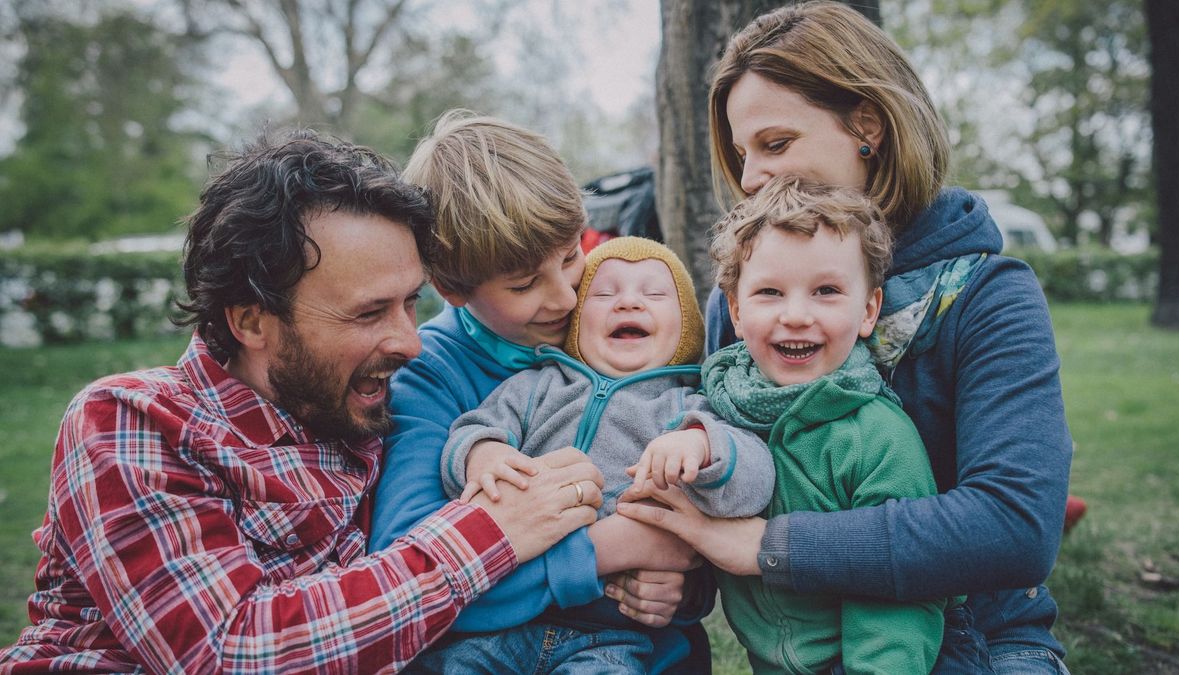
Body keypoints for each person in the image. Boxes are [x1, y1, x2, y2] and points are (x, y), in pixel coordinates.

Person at [0, 130, 605, 673]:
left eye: (411, 303)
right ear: (251, 321)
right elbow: (227, 650)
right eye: (368, 313)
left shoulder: (364, 409)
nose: (409, 343)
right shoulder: (133, 422)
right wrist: (491, 532)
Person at [618, 3, 1074, 673]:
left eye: (775, 144)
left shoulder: (987, 295)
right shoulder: (742, 302)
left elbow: (1013, 527)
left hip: (982, 638)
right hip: (801, 650)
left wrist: (767, 547)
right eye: (743, 154)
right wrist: (664, 572)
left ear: (868, 125)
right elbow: (710, 491)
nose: (749, 179)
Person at [367, 112, 712, 672]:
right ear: (452, 288)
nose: (567, 299)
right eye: (525, 284)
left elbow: (688, 546)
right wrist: (610, 550)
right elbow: (411, 583)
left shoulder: (634, 337)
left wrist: (679, 587)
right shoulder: (432, 374)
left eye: (571, 256)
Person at [418, 237, 775, 672]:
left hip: (614, 635)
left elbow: (756, 481)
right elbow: (472, 429)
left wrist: (701, 443)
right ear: (576, 320)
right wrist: (482, 453)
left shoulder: (688, 410)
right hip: (503, 627)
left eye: (654, 293)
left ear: (687, 325)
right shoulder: (538, 387)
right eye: (604, 294)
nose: (628, 303)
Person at [701, 177, 945, 673]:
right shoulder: (717, 410)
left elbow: (898, 592)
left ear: (869, 310)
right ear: (736, 310)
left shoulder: (876, 436)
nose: (796, 315)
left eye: (827, 291)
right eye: (769, 292)